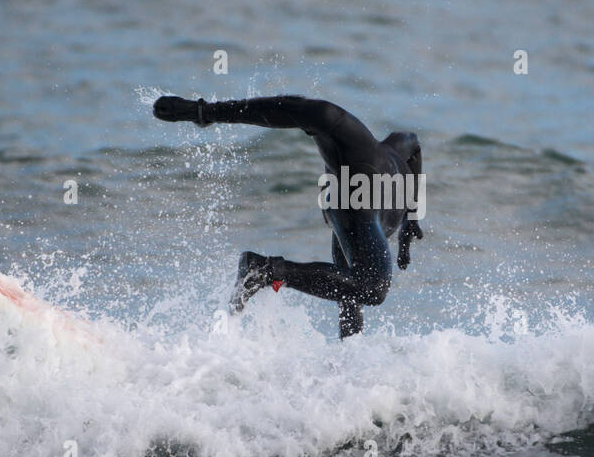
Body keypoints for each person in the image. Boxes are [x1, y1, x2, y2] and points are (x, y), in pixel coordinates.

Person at [154, 94, 424, 337]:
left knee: (351, 294)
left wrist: (412, 219)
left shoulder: (395, 158)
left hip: (347, 207)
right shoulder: (370, 153)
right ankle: (266, 270)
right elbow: (312, 111)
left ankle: (348, 369)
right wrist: (205, 112)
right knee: (372, 288)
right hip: (354, 198)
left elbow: (414, 145)